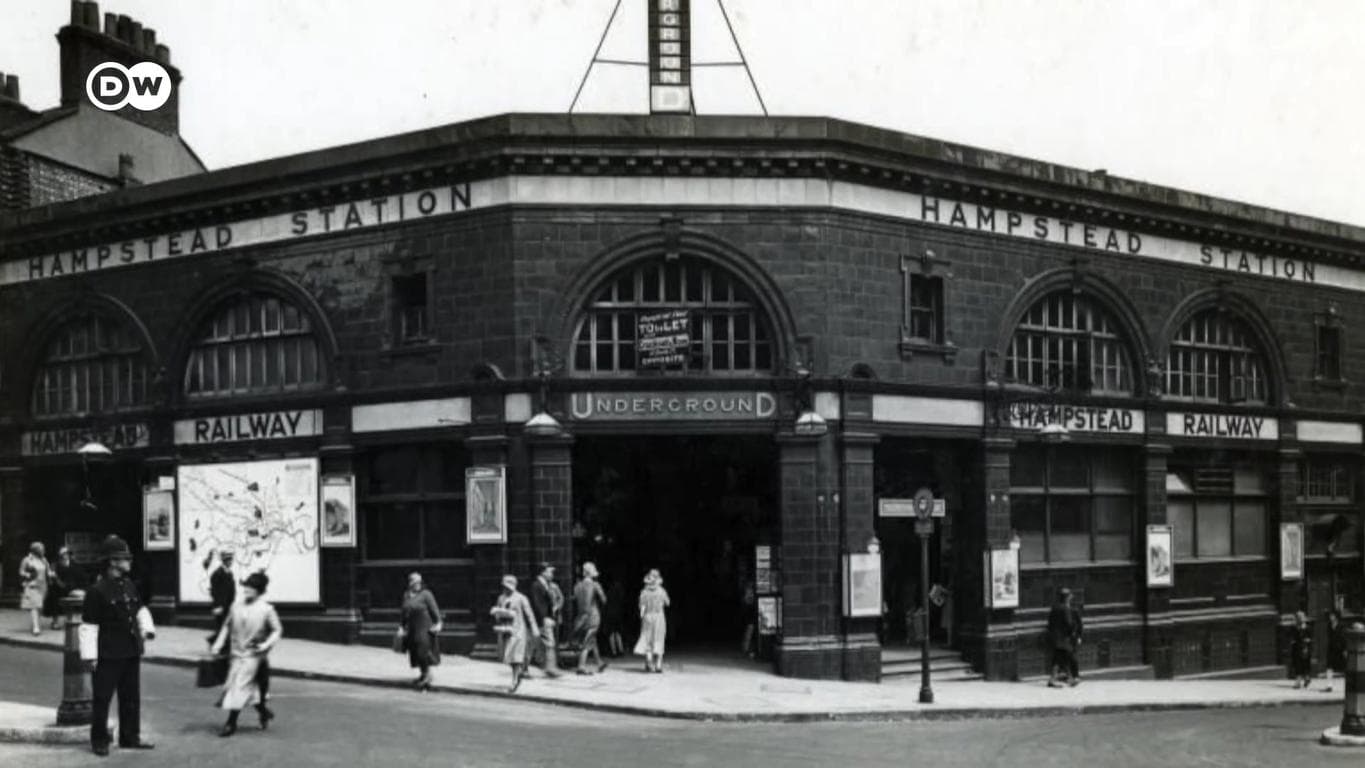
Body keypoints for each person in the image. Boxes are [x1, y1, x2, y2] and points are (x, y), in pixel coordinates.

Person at [80, 535, 156, 756]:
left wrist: (147, 629)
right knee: (102, 699)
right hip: (107, 654)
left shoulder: (129, 585)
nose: (129, 562)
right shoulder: (97, 591)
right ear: (113, 561)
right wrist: (89, 657)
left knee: (131, 697)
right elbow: (89, 627)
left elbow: (139, 609)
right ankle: (99, 741)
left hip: (131, 650)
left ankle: (130, 737)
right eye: (125, 558)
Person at [211, 571, 283, 737]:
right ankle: (264, 712)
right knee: (244, 688)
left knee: (239, 685)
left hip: (254, 655)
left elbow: (277, 630)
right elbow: (226, 626)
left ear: (259, 590)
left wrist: (265, 644)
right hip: (236, 654)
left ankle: (231, 723)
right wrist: (218, 644)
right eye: (246, 586)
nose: (247, 590)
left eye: (252, 587)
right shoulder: (236, 605)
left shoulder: (266, 609)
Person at [491, 574, 539, 693]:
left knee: (516, 656)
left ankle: (515, 679)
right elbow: (497, 612)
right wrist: (498, 612)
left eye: (508, 587)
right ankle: (518, 674)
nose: (506, 589)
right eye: (504, 587)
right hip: (505, 630)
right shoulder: (501, 598)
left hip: (518, 630)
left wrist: (534, 628)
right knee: (508, 656)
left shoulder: (521, 598)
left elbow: (529, 613)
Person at [399, 572, 443, 690]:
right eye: (414, 582)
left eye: (419, 582)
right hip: (412, 628)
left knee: (423, 651)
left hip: (424, 627)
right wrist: (401, 627)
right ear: (410, 583)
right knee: (414, 652)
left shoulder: (426, 594)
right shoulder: (407, 595)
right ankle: (423, 674)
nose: (417, 584)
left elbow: (434, 609)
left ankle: (428, 676)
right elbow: (404, 613)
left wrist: (438, 622)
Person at [573, 562, 609, 675]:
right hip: (593, 615)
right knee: (588, 641)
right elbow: (604, 600)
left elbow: (576, 601)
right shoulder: (595, 585)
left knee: (591, 638)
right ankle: (581, 666)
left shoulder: (577, 586)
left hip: (581, 616)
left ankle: (599, 663)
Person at [529, 563, 562, 678]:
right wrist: (545, 618)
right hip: (542, 620)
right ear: (543, 572)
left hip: (544, 619)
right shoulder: (537, 585)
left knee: (540, 645)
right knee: (549, 644)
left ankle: (548, 668)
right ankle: (551, 668)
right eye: (549, 571)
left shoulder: (544, 584)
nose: (551, 574)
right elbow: (538, 604)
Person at [635, 569, 671, 673]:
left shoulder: (644, 592)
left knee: (648, 640)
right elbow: (667, 603)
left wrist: (642, 618)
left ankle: (649, 663)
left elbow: (641, 608)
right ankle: (658, 665)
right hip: (659, 617)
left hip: (648, 617)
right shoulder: (662, 591)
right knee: (659, 639)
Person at [1046, 587, 1083, 688]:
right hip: (1063, 638)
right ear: (1067, 598)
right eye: (1070, 596)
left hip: (1055, 637)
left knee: (1059, 658)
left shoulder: (1054, 607)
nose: (1071, 598)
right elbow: (1069, 623)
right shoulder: (1065, 608)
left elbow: (1050, 623)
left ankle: (1056, 680)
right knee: (1068, 656)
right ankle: (1072, 678)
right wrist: (1073, 632)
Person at [44, 546, 85, 630]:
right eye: (63, 554)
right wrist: (53, 577)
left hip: (70, 588)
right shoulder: (55, 565)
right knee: (55, 603)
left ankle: (68, 620)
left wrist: (79, 587)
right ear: (59, 555)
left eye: (67, 553)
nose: (65, 555)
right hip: (57, 588)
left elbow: (79, 576)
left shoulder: (74, 564)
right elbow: (52, 576)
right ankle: (55, 622)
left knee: (72, 603)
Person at [20, 542, 52, 635]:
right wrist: (28, 574)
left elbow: (48, 570)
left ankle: (35, 623)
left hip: (43, 586)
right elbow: (21, 571)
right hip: (32, 585)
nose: (43, 551)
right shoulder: (27, 560)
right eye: (41, 549)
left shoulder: (44, 560)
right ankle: (36, 627)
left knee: (40, 607)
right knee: (34, 606)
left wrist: (51, 574)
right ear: (35, 550)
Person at [208, 551, 236, 645]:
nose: (231, 562)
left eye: (231, 560)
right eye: (229, 560)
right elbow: (215, 591)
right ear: (224, 561)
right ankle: (215, 642)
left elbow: (231, 590)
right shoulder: (217, 573)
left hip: (228, 605)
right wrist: (218, 606)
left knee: (225, 626)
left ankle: (216, 642)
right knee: (221, 626)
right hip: (221, 606)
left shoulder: (229, 573)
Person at [1290, 610, 1313, 689]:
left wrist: (1307, 642)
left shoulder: (1307, 628)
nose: (1299, 619)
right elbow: (1292, 637)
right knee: (1298, 665)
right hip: (1297, 648)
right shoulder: (1294, 627)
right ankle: (1302, 680)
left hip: (1304, 648)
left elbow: (1310, 638)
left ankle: (1302, 680)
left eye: (1301, 617)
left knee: (1304, 664)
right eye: (1298, 617)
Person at [603, 577, 626, 658]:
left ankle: (614, 652)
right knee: (618, 633)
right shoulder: (620, 593)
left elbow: (605, 602)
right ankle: (621, 650)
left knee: (611, 633)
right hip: (618, 614)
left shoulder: (609, 592)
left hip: (610, 613)